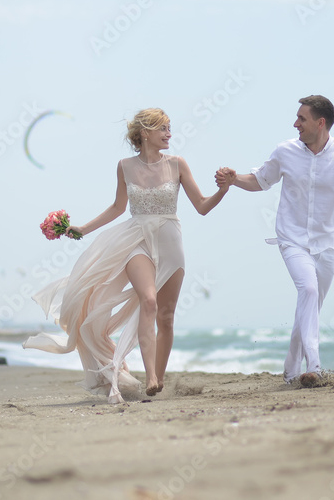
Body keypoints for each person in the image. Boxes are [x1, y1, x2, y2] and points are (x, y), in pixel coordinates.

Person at [24, 108, 231, 403]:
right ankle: (151, 376)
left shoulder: (178, 164)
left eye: (170, 128)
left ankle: (157, 378)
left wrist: (223, 190)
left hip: (171, 242)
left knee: (167, 316)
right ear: (145, 133)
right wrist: (83, 227)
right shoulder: (124, 166)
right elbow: (117, 208)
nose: (169, 133)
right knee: (148, 300)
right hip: (136, 241)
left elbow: (202, 205)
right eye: (163, 128)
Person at [216, 95, 334, 386]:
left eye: (301, 119)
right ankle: (314, 366)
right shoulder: (285, 152)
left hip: (328, 244)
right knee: (309, 290)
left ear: (321, 122)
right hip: (292, 239)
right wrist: (233, 179)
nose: (296, 124)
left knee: (310, 305)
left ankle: (291, 370)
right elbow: (260, 180)